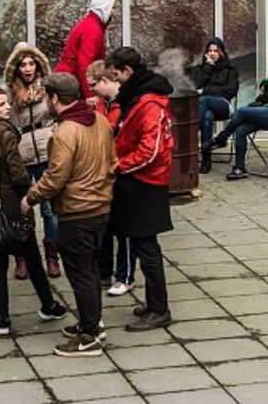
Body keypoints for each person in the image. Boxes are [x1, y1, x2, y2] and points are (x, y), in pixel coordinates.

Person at [20, 73, 116, 357]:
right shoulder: (99, 120)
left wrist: (30, 198)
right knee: (90, 272)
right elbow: (113, 161)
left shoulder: (64, 132)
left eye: (45, 96)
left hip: (77, 212)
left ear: (54, 98)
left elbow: (55, 177)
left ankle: (88, 337)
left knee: (81, 274)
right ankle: (92, 324)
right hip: (100, 208)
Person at [0, 88, 68, 336]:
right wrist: (28, 191)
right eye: (1, 105)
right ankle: (47, 304)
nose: (8, 108)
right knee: (30, 253)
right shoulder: (5, 135)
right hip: (9, 201)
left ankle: (2, 317)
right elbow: (17, 171)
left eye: (6, 103)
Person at [105, 47, 175, 331]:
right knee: (144, 246)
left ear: (128, 71)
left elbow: (151, 150)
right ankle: (154, 304)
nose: (116, 83)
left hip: (146, 182)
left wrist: (119, 166)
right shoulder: (141, 98)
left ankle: (159, 309)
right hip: (140, 179)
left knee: (147, 248)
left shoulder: (149, 104)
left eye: (117, 77)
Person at [203, 42, 268, 181]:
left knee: (242, 112)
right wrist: (265, 86)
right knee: (241, 130)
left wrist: (260, 98)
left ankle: (221, 138)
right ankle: (240, 168)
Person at [3, 42, 61, 279]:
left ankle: (52, 255)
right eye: (22, 65)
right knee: (22, 208)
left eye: (31, 63)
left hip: (47, 149)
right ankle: (23, 256)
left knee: (50, 210)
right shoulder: (8, 90)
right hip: (22, 152)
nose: (27, 69)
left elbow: (59, 111)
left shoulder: (48, 88)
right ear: (16, 68)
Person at [86, 60, 137, 297]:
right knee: (104, 222)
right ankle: (103, 269)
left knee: (125, 226)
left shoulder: (124, 104)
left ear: (106, 81)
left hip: (122, 170)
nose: (91, 90)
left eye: (93, 85)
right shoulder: (100, 103)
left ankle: (125, 276)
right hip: (104, 170)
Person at [189, 36, 239, 174]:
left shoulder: (230, 69)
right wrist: (208, 67)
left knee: (204, 99)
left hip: (223, 105)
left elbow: (230, 91)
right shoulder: (202, 68)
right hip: (204, 109)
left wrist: (205, 91)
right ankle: (206, 160)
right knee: (207, 117)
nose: (212, 53)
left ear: (222, 52)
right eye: (209, 50)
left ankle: (190, 135)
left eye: (215, 50)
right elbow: (196, 85)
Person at [55, 0, 116, 102]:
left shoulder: (90, 25)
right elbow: (85, 64)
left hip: (69, 80)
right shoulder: (93, 30)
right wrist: (90, 94)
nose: (113, 12)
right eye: (111, 8)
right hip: (71, 84)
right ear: (104, 8)